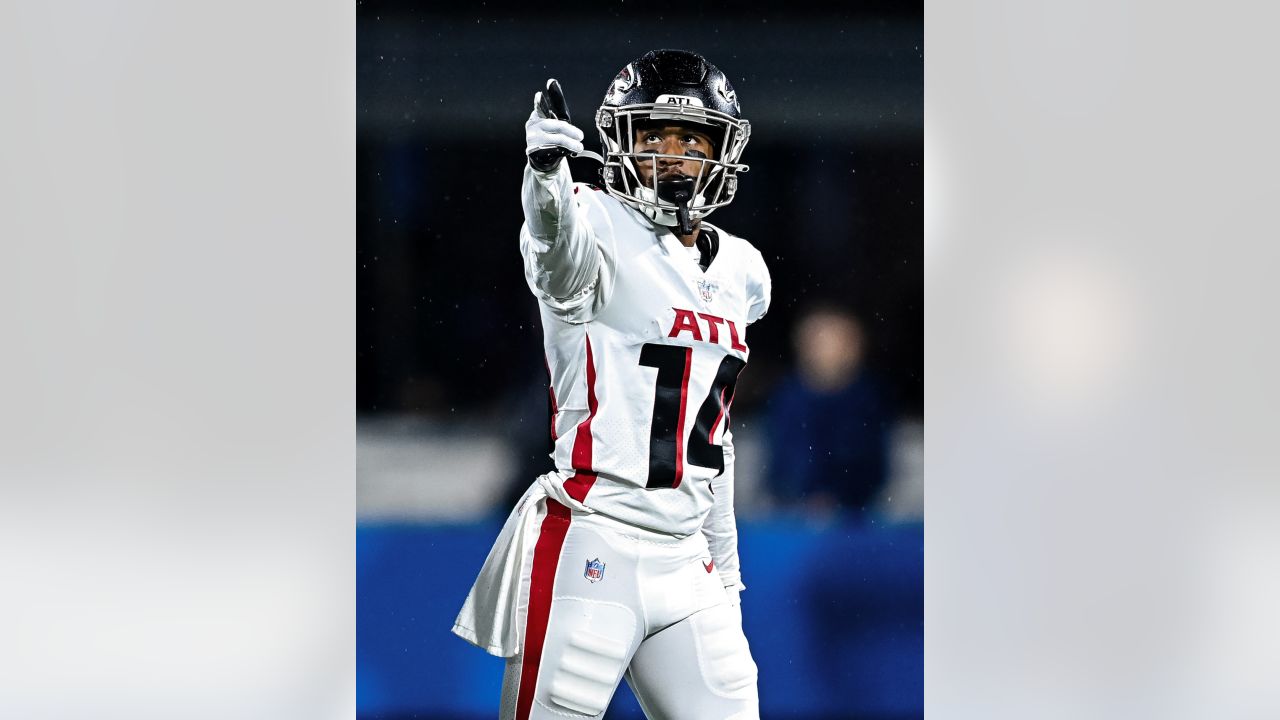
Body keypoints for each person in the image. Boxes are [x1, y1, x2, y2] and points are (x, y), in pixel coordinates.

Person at [451, 49, 771, 719]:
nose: (672, 155)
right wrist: (543, 177)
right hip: (594, 537)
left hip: (686, 561)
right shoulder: (592, 224)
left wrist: (728, 574)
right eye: (653, 136)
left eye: (691, 139)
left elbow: (713, 437)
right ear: (621, 142)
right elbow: (555, 253)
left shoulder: (741, 269)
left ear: (721, 149)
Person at [765, 305, 892, 515]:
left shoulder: (867, 398)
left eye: (840, 341)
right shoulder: (788, 397)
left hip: (857, 512)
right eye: (820, 342)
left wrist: (840, 494)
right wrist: (804, 493)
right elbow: (783, 458)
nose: (829, 350)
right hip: (792, 510)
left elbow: (873, 461)